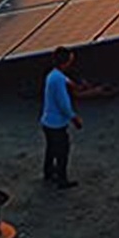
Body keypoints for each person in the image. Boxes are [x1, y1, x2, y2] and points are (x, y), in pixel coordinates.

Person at [40, 46, 82, 188]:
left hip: (47, 121)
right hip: (56, 124)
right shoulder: (57, 80)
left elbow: (64, 79)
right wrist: (74, 118)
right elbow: (63, 103)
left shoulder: (53, 75)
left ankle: (48, 173)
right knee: (62, 151)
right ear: (66, 62)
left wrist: (72, 84)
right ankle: (62, 180)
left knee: (51, 149)